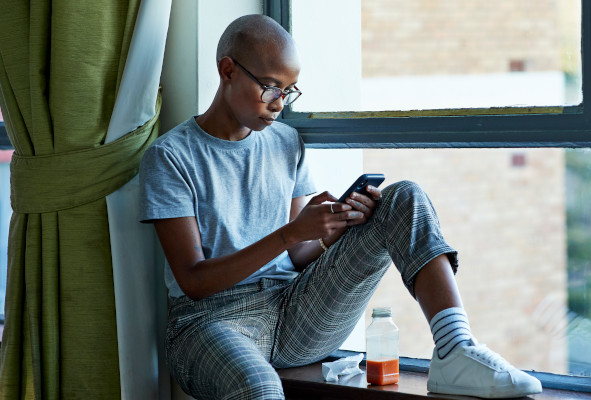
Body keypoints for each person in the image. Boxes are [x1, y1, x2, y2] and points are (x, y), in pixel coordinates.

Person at [139, 14, 542, 400]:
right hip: (207, 323)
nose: (280, 103)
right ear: (227, 70)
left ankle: (455, 349)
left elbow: (296, 257)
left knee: (403, 197)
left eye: (289, 89)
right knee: (258, 388)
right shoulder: (171, 156)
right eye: (271, 86)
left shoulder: (285, 142)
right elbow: (192, 280)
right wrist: (291, 232)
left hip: (293, 311)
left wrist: (330, 231)